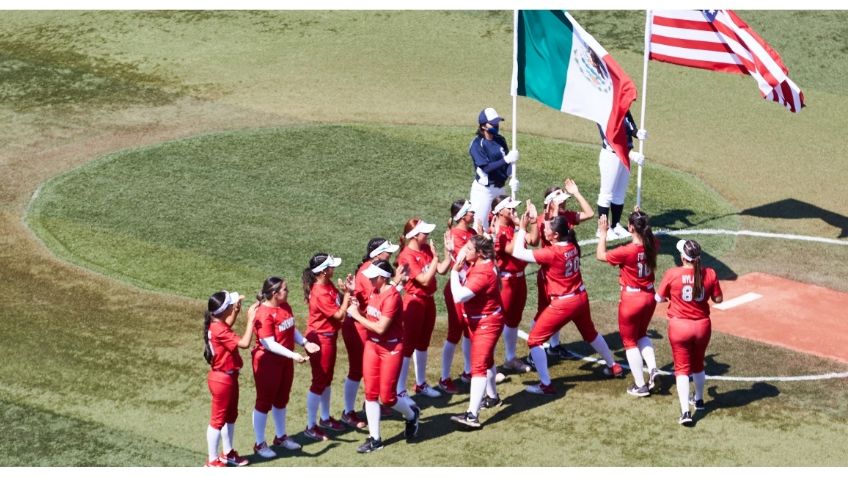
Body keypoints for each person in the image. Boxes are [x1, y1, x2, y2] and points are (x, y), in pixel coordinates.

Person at [510, 211, 624, 395]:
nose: (543, 228)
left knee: (534, 340)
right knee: (591, 334)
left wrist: (521, 229)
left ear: (555, 235)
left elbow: (517, 252)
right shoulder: (572, 245)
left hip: (563, 303)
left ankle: (546, 384)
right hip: (580, 297)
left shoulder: (552, 253)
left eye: (546, 228)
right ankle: (613, 365)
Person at [347, 260, 422, 453]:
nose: (370, 279)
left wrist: (356, 315)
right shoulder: (375, 290)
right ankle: (375, 439)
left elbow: (381, 328)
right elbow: (370, 313)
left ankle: (411, 414)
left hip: (390, 349)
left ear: (382, 278)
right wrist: (354, 299)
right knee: (370, 393)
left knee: (388, 398)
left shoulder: (393, 297)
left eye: (373, 276)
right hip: (372, 346)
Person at [656, 239, 723, 426]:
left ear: (682, 257)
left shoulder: (672, 274)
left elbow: (658, 298)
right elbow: (718, 299)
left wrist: (673, 296)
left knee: (682, 370)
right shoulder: (709, 273)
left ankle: (686, 412)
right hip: (702, 326)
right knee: (698, 364)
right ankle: (699, 400)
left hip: (680, 327)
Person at [250, 277, 319, 459]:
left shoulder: (285, 306)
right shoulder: (263, 314)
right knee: (264, 402)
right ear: (275, 294)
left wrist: (305, 342)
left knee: (281, 399)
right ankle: (259, 443)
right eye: (285, 289)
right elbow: (269, 343)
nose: (288, 291)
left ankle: (280, 437)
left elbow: (290, 329)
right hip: (267, 362)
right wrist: (293, 355)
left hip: (284, 360)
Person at [596, 210, 660, 397]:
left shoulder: (627, 251)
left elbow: (601, 255)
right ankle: (653, 369)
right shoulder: (653, 244)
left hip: (632, 300)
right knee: (641, 334)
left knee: (630, 341)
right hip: (650, 296)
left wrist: (603, 233)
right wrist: (640, 219)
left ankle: (640, 385)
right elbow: (647, 234)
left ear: (631, 228)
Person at [529, 179, 594, 361]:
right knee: (545, 312)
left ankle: (554, 346)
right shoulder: (544, 221)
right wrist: (555, 211)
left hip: (563, 272)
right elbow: (546, 236)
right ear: (550, 202)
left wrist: (576, 193)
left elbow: (590, 213)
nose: (565, 202)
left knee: (555, 310)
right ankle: (533, 352)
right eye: (561, 200)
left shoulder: (567, 216)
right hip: (549, 276)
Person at [449, 235, 505, 428]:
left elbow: (459, 296)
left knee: (478, 367)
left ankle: (472, 415)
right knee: (487, 361)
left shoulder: (483, 272)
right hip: (482, 321)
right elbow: (467, 275)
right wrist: (453, 255)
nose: (464, 250)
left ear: (479, 253)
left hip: (486, 323)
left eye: (468, 249)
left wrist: (453, 272)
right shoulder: (482, 264)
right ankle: (493, 397)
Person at [348, 238, 406, 421]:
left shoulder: (374, 272)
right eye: (387, 252)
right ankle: (348, 412)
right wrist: (396, 282)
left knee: (369, 374)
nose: (390, 255)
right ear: (377, 254)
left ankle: (370, 405)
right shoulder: (368, 274)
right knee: (358, 370)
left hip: (369, 325)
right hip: (361, 326)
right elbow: (378, 300)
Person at [396, 218, 451, 401]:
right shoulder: (406, 256)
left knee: (423, 344)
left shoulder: (426, 248)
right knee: (408, 346)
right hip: (413, 303)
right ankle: (400, 389)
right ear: (414, 235)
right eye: (424, 232)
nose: (427, 235)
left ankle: (421, 384)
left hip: (428, 301)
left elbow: (442, 269)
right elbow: (424, 279)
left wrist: (448, 251)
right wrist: (435, 259)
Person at [301, 253, 354, 441]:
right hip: (320, 341)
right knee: (319, 382)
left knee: (326, 379)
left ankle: (324, 418)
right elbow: (339, 315)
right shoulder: (320, 292)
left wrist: (345, 292)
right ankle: (310, 426)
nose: (334, 269)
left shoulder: (327, 285)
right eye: (331, 266)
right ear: (323, 271)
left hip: (328, 338)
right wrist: (348, 293)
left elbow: (338, 301)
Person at [203, 290, 256, 467]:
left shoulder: (217, 323)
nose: (233, 306)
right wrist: (251, 320)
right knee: (217, 421)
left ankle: (227, 453)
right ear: (224, 310)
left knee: (230, 416)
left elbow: (228, 323)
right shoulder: (218, 329)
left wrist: (237, 310)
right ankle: (212, 461)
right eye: (231, 305)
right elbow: (244, 343)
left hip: (228, 377)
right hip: (222, 380)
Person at [489, 195, 534, 374]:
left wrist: (531, 223)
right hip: (505, 281)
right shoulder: (498, 232)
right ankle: (488, 364)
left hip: (519, 278)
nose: (514, 211)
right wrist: (520, 228)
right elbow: (513, 250)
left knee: (514, 320)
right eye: (510, 209)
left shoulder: (510, 227)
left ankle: (510, 358)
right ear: (500, 211)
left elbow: (534, 240)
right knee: (498, 323)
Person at [438, 200, 476, 393]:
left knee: (469, 331)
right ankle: (444, 377)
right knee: (455, 332)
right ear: (462, 215)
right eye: (470, 211)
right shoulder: (454, 236)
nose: (474, 213)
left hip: (468, 289)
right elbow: (468, 259)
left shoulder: (472, 233)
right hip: (457, 290)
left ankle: (469, 371)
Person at [595, 111, 647, 240]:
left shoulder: (622, 106)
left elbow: (627, 121)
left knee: (619, 193)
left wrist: (636, 132)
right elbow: (610, 138)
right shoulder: (603, 108)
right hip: (611, 155)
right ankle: (602, 229)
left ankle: (615, 225)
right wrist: (630, 154)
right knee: (607, 194)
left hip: (625, 155)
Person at [468, 107, 520, 231]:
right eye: (493, 123)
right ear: (483, 126)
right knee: (480, 227)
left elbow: (507, 165)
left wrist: (512, 176)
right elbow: (486, 168)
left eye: (497, 123)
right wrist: (506, 160)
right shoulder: (477, 144)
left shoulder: (500, 140)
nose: (496, 125)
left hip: (500, 188)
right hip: (484, 191)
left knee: (506, 222)